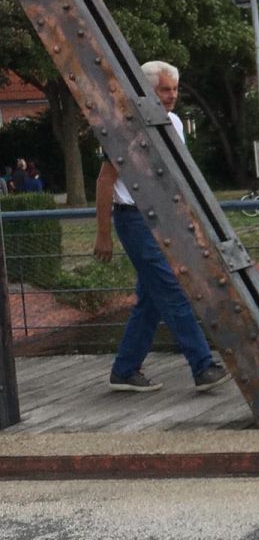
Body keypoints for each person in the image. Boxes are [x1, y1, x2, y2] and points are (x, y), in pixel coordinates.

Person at [94, 61, 230, 393]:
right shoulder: (124, 125)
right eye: (164, 90)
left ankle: (125, 369)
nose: (171, 96)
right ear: (147, 90)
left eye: (174, 89)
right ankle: (202, 365)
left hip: (162, 217)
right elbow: (104, 181)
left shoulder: (174, 123)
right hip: (134, 218)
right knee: (171, 289)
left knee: (152, 299)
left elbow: (173, 176)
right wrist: (103, 234)